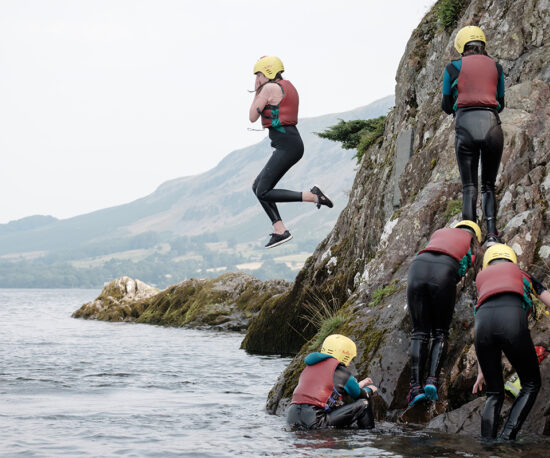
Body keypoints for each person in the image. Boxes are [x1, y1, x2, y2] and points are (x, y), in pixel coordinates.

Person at [249, 56, 333, 249]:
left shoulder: (268, 89)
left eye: (259, 75)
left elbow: (252, 116)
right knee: (257, 187)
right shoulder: (286, 86)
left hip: (288, 144)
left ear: (267, 73)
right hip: (290, 143)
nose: (257, 79)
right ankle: (280, 230)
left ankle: (313, 196)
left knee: (263, 190)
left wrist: (257, 90)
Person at [471, 244, 550, 440]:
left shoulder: (483, 282)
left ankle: (487, 445)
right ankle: (507, 438)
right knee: (531, 384)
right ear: (511, 260)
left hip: (483, 329)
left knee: (494, 393)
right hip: (512, 323)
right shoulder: (521, 274)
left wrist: (482, 370)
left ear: (488, 262)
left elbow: (479, 321)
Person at [406, 220, 482, 406]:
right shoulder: (470, 244)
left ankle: (415, 388)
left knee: (419, 332)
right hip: (444, 270)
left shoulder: (440, 233)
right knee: (440, 332)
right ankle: (432, 380)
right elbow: (468, 269)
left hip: (417, 267)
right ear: (475, 236)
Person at [441, 26, 505, 246]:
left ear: (461, 45)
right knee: (488, 185)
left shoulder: (452, 68)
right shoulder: (496, 67)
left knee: (469, 186)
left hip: (465, 125)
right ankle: (492, 234)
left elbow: (446, 104)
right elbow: (501, 101)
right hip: (491, 125)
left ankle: (469, 233)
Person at [287, 334, 377, 429]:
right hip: (315, 421)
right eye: (350, 358)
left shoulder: (310, 367)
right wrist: (369, 389)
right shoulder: (341, 371)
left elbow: (331, 392)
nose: (349, 363)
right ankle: (368, 435)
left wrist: (359, 384)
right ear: (344, 355)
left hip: (292, 418)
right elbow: (359, 395)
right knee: (364, 404)